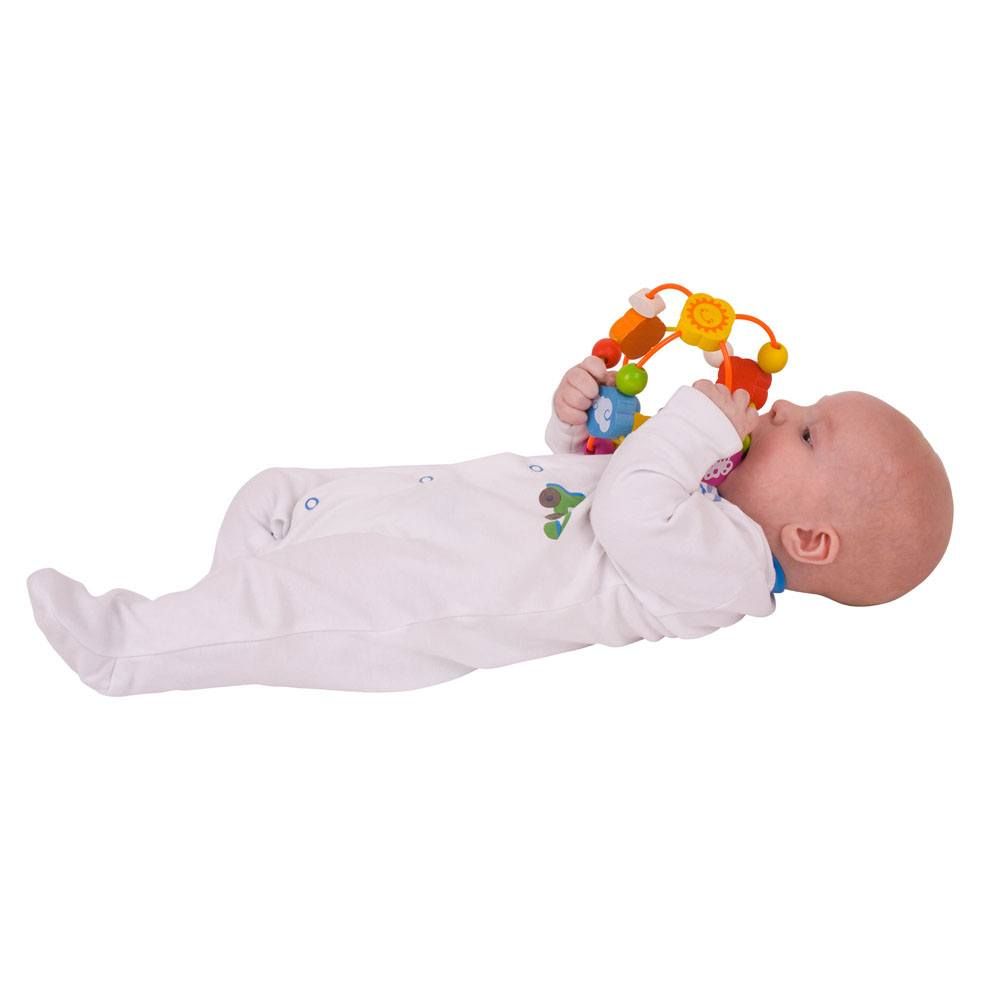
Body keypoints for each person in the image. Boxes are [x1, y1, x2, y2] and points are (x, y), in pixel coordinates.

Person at [26, 356, 953, 697]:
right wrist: (583, 419)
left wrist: (698, 419)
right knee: (279, 493)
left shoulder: (729, 572)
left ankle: (128, 649)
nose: (781, 408)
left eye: (806, 431)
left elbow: (629, 511)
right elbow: (605, 475)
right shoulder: (710, 491)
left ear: (810, 543)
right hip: (439, 515)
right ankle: (222, 604)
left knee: (301, 605)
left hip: (431, 597)